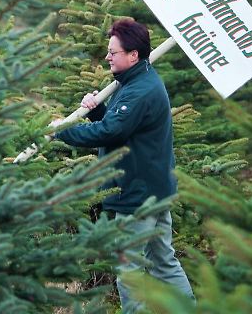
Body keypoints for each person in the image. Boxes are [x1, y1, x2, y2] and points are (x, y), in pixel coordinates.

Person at [50, 18, 194, 312]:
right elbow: (123, 125)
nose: (107, 57)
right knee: (163, 261)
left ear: (133, 55)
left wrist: (61, 131)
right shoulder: (135, 82)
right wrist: (98, 110)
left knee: (129, 272)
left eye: (112, 53)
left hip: (138, 196)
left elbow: (111, 132)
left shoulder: (140, 89)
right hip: (155, 190)